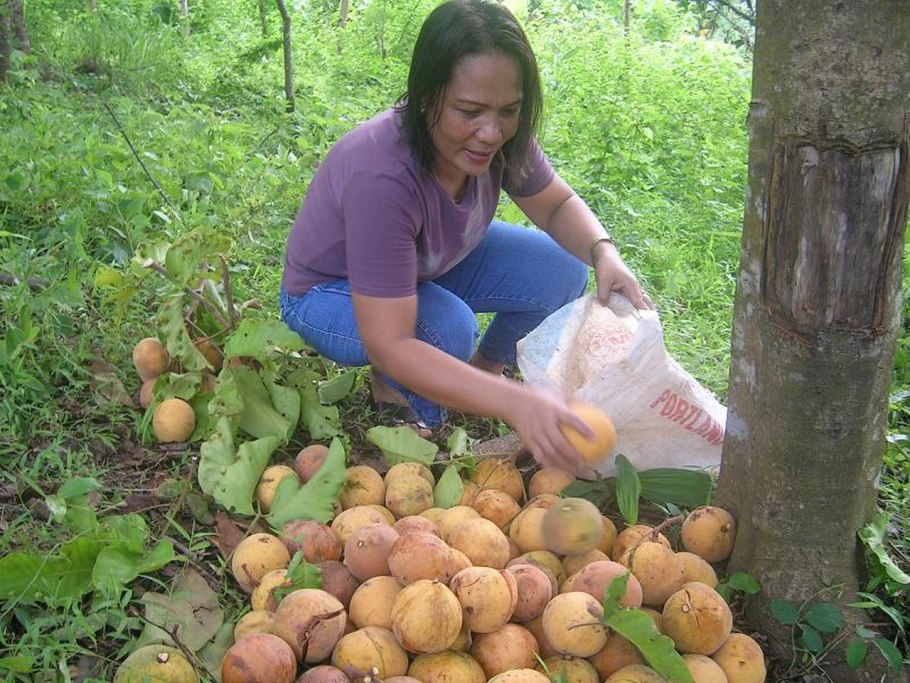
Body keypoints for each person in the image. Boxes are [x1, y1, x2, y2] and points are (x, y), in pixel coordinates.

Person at [280, 0, 653, 473]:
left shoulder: (499, 138)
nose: (491, 132)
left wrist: (604, 253)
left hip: (425, 266)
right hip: (330, 292)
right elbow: (389, 341)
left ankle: (481, 373)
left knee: (560, 268)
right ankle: (405, 403)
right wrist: (515, 402)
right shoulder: (383, 174)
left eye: (509, 111)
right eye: (469, 111)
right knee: (445, 330)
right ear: (425, 95)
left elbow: (556, 205)